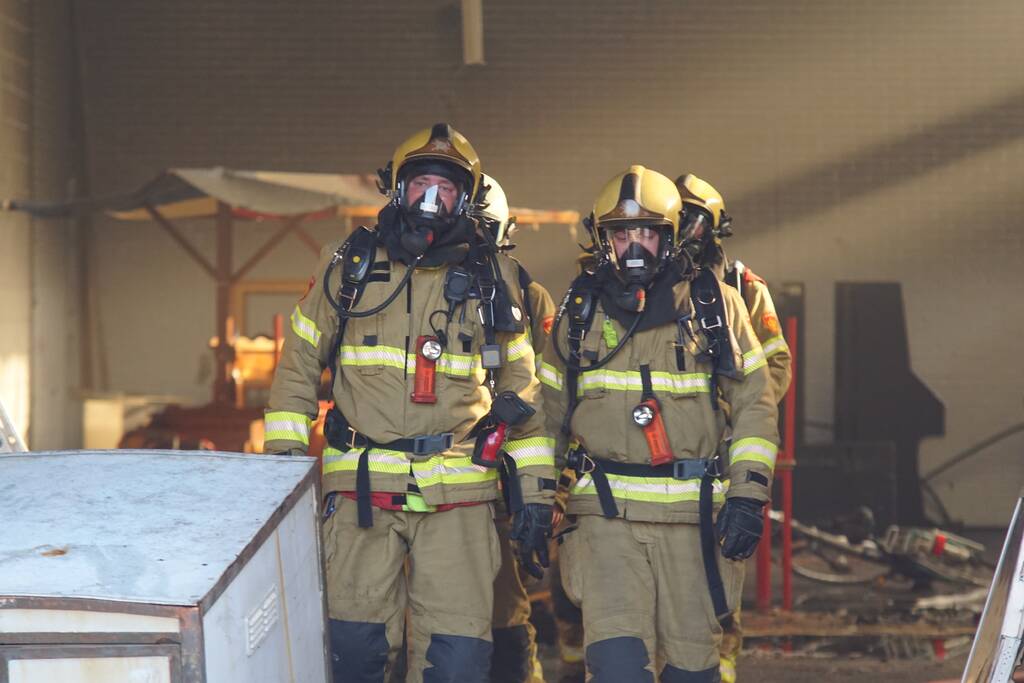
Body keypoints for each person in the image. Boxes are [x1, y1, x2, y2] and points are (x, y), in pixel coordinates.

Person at [264, 124, 556, 682]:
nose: (430, 197)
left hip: (459, 495)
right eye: (420, 181)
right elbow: (299, 363)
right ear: (396, 189)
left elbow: (524, 388)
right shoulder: (348, 264)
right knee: (354, 652)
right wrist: (283, 469)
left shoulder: (492, 280)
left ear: (466, 197)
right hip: (360, 492)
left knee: (458, 658)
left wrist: (538, 496)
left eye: (444, 187)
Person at [540, 165, 779, 681]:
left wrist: (748, 496)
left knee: (694, 670)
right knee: (617, 667)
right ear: (602, 239)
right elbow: (546, 418)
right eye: (621, 234)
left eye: (647, 233)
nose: (633, 247)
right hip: (606, 524)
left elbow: (756, 404)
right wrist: (537, 503)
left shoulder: (718, 306)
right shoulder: (579, 311)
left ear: (671, 238)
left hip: (695, 525)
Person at [675, 173, 793, 682]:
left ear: (715, 229)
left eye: (695, 221)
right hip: (662, 459)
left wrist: (727, 414)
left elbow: (775, 370)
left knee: (719, 585)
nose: (684, 231)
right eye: (676, 218)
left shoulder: (742, 287)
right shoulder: (647, 287)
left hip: (721, 459)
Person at [476, 174, 557, 683]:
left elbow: (547, 402)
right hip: (415, 487)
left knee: (503, 611)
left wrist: (541, 496)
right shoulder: (404, 292)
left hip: (499, 489)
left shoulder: (528, 299)